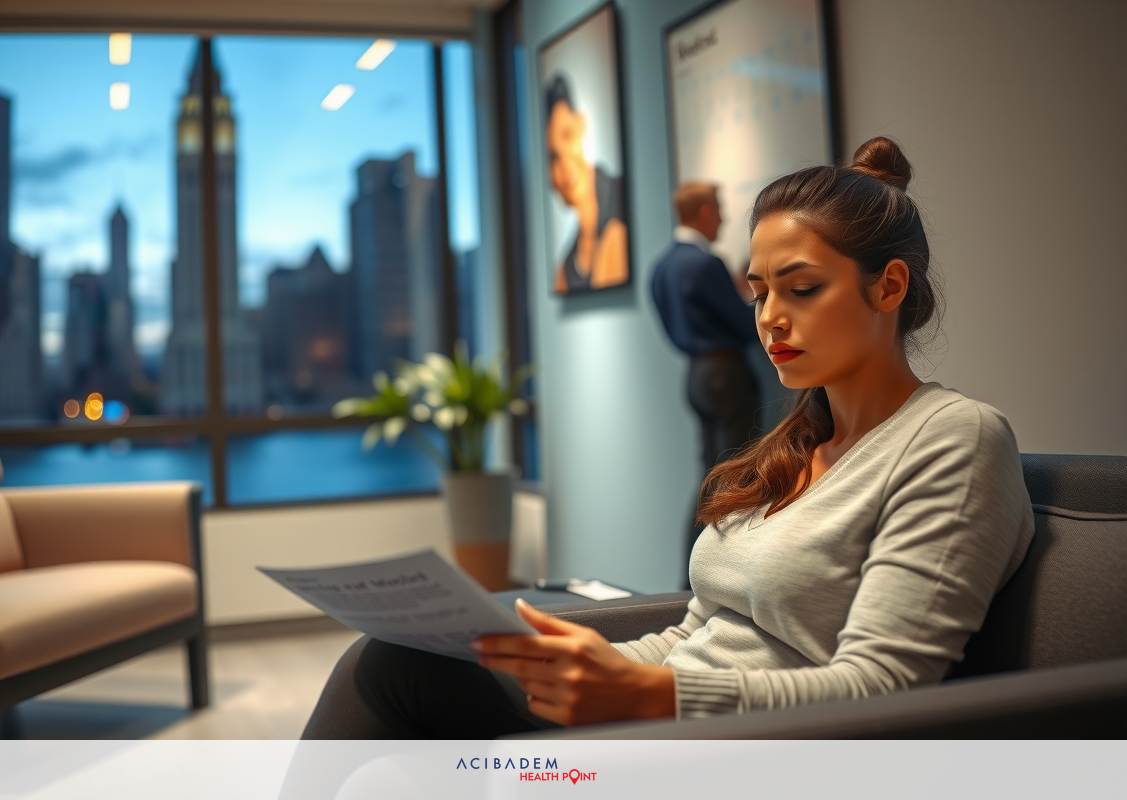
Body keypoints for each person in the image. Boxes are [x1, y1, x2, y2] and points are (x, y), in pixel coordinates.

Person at [301, 137, 1035, 737]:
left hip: (756, 753)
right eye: (759, 291)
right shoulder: (790, 450)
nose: (771, 317)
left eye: (802, 288)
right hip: (661, 728)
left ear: (889, 287)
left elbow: (885, 690)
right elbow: (698, 632)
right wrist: (598, 665)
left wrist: (652, 697)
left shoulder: (955, 441)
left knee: (401, 685)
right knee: (394, 658)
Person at [651, 182, 760, 584]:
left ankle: (691, 579)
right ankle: (723, 578)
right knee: (738, 474)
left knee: (711, 475)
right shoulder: (705, 264)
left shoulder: (662, 267)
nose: (723, 218)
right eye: (717, 209)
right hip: (726, 374)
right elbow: (747, 326)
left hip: (696, 375)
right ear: (701, 213)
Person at [543, 74, 628, 294]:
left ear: (582, 125)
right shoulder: (565, 270)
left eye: (567, 136)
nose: (565, 165)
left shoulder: (624, 198)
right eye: (553, 157)